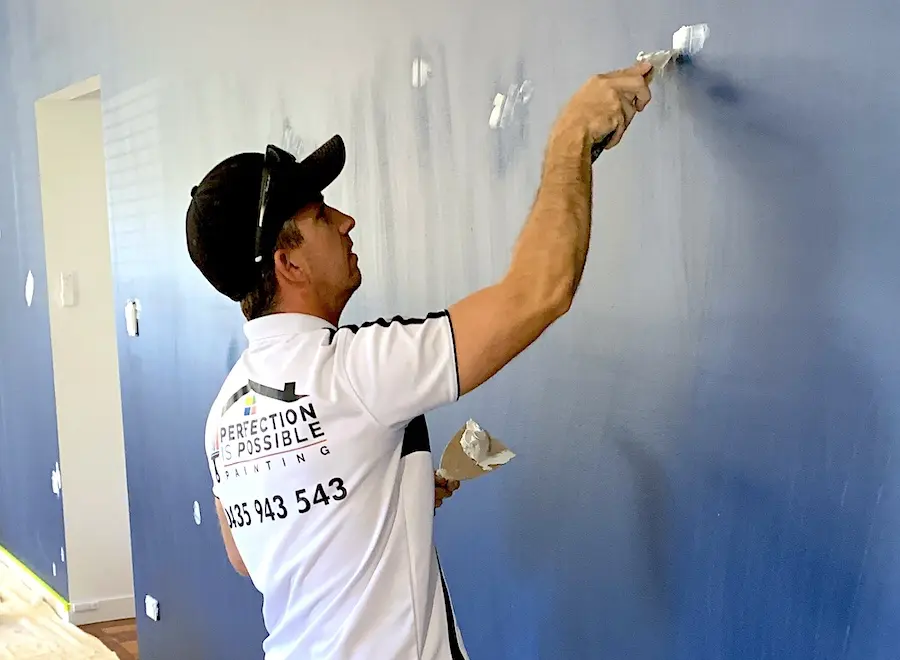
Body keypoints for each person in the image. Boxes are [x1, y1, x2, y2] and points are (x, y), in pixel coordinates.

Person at [185, 60, 653, 660]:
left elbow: (247, 555)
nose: (347, 220)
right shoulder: (357, 369)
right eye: (323, 216)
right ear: (289, 263)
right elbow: (541, 291)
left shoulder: (224, 413)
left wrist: (369, 495)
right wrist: (571, 138)